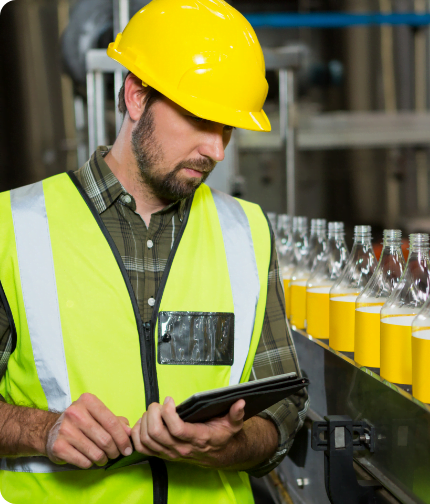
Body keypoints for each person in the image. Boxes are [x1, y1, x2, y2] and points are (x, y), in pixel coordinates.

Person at [0, 0, 308, 502]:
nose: (218, 150)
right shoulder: (13, 228)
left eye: (227, 128)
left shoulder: (246, 232)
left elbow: (284, 407)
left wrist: (229, 446)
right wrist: (42, 430)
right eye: (202, 120)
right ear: (137, 96)